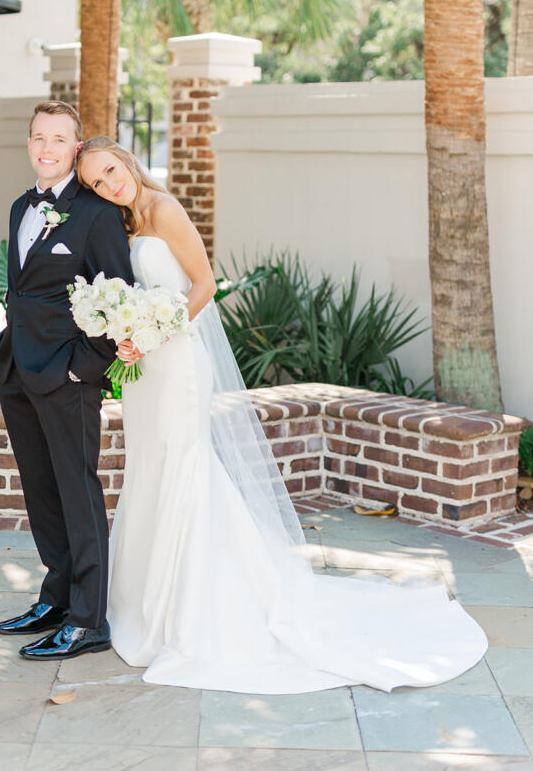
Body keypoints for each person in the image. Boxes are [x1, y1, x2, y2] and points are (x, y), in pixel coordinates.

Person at [77, 135, 488, 694]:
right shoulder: (119, 225)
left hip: (177, 363)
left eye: (109, 171)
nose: (108, 184)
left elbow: (204, 285)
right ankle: (142, 601)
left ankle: (192, 606)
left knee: (184, 467)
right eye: (96, 183)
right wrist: (127, 334)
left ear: (125, 159)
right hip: (143, 369)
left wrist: (157, 329)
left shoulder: (164, 209)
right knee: (149, 467)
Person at [0, 104, 134, 662]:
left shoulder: (96, 214)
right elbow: (23, 289)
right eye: (38, 138)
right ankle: (56, 597)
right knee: (41, 490)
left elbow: (119, 294)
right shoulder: (19, 207)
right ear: (28, 143)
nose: (46, 148)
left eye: (59, 140)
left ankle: (88, 619)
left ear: (76, 149)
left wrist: (84, 365)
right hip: (19, 371)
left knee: (78, 492)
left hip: (69, 375)